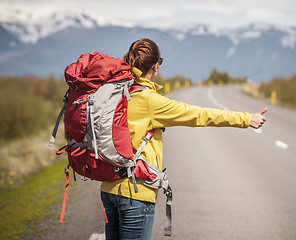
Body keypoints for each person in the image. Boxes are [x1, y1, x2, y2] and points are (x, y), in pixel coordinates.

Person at [100, 38, 267, 240]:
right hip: (135, 192)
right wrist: (246, 119)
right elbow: (198, 115)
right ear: (155, 66)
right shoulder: (150, 101)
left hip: (108, 187)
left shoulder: (117, 93)